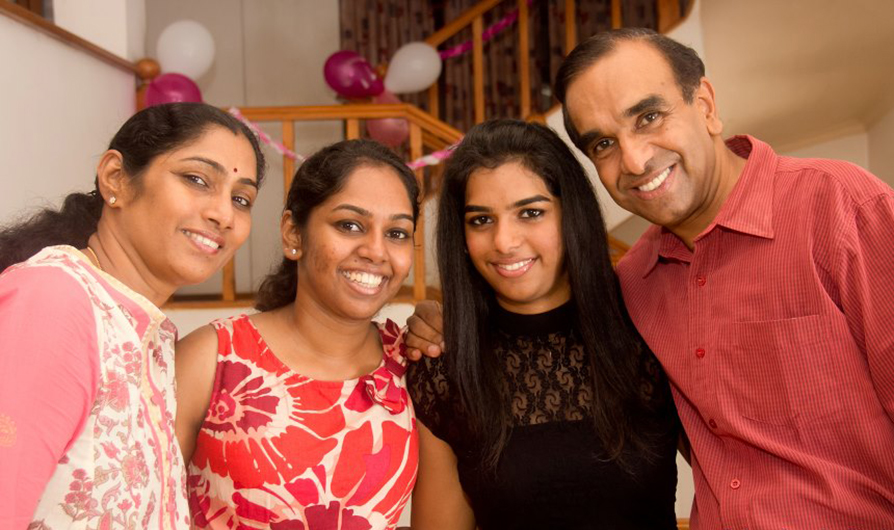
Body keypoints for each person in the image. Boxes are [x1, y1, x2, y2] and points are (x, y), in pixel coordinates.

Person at [409, 28, 894, 528]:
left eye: (649, 116)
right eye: (603, 143)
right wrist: (443, 321)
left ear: (705, 103)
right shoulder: (636, 286)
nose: (636, 160)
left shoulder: (841, 207)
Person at [0, 102, 266, 528]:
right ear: (116, 179)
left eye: (241, 199)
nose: (223, 214)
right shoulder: (56, 299)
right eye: (197, 179)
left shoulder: (151, 335)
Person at [407, 119, 678, 530]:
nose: (504, 241)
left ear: (571, 214)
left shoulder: (648, 326)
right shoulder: (444, 366)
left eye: (530, 213)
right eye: (481, 220)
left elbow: (740, 472)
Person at [175, 139, 420, 529]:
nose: (376, 250)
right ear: (293, 233)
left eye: (397, 233)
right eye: (349, 225)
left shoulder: (414, 364)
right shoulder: (213, 358)